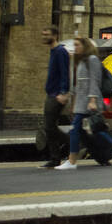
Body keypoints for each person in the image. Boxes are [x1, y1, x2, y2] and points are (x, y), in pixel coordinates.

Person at [55, 37, 112, 170]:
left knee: (76, 130)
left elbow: (94, 81)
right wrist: (71, 99)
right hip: (81, 102)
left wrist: (92, 100)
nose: (75, 48)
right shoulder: (80, 62)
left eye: (77, 45)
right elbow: (78, 85)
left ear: (85, 46)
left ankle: (72, 161)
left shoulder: (92, 60)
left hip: (89, 101)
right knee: (95, 130)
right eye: (74, 45)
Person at [40, 26, 70, 168]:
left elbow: (65, 73)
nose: (44, 36)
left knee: (49, 126)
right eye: (43, 34)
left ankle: (71, 144)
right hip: (51, 93)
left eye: (47, 34)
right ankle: (56, 157)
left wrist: (63, 92)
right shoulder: (54, 51)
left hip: (57, 95)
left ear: (55, 35)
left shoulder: (60, 52)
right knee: (50, 127)